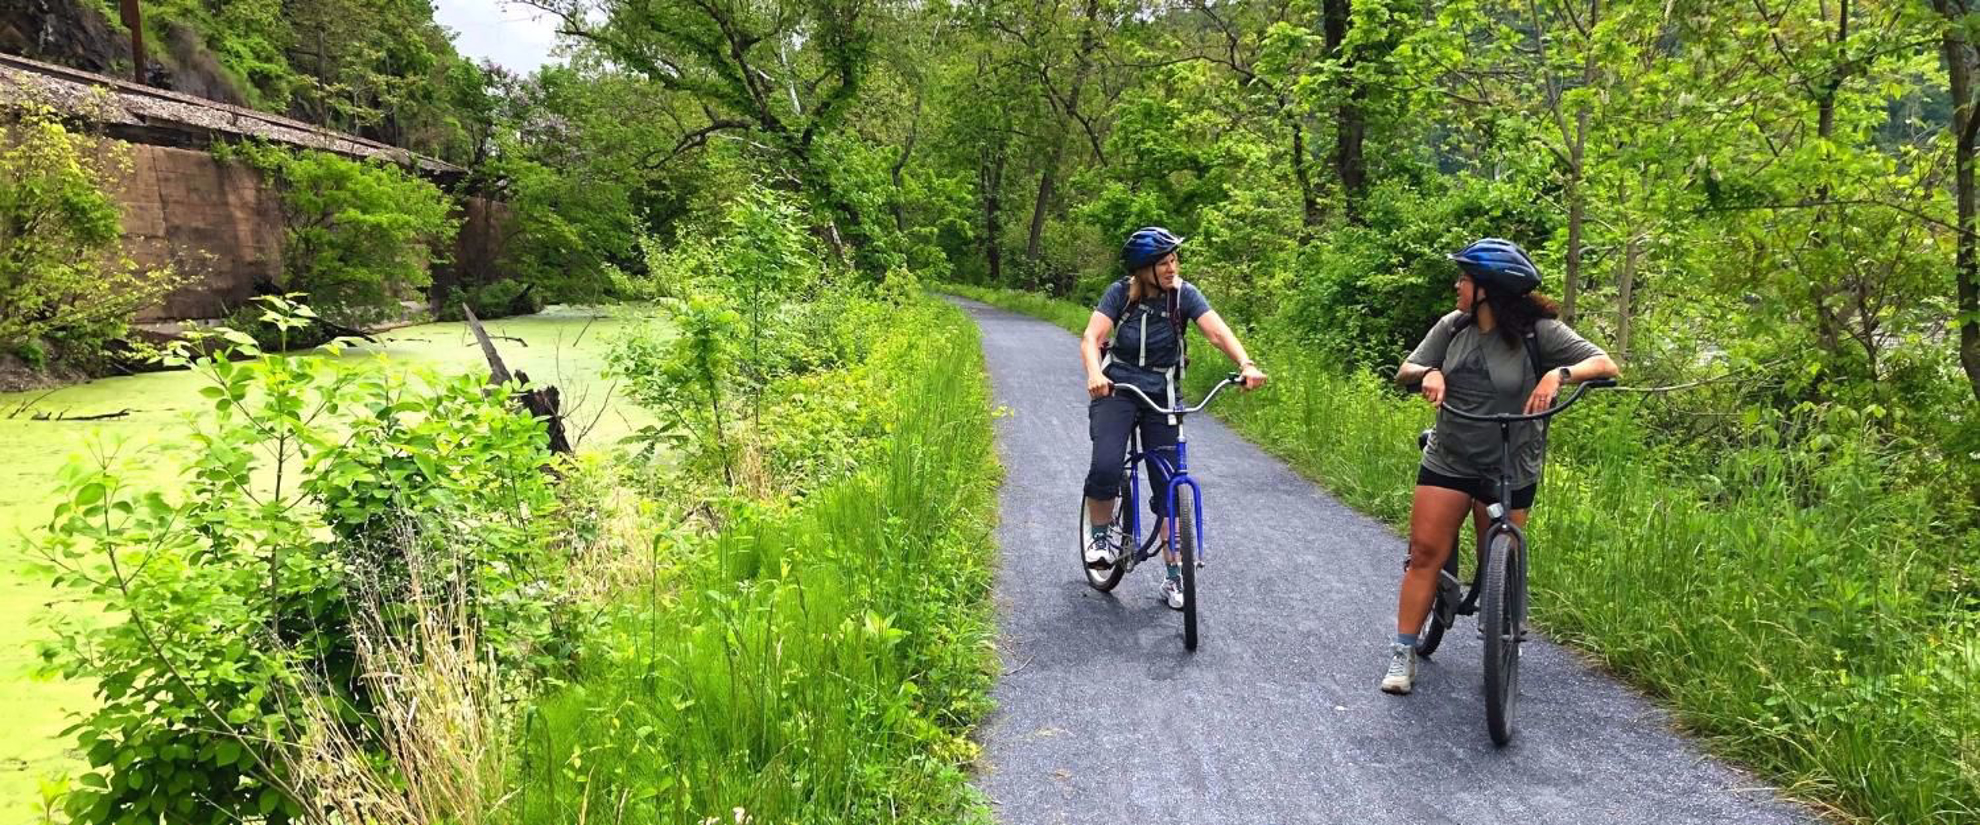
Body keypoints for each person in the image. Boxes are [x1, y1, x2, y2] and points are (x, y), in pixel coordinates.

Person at [1382, 238, 1619, 694]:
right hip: (1451, 456)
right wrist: (1429, 372)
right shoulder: (1453, 326)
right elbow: (1406, 369)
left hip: (1511, 463)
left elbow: (1605, 364)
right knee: (1425, 553)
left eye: (1465, 279)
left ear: (1487, 289)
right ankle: (1403, 652)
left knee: (1498, 557)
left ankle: (1499, 639)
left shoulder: (1539, 333)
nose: (1457, 285)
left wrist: (1558, 374)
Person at [1079, 226, 1267, 610]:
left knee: (1169, 486)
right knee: (1107, 464)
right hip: (1117, 389)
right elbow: (1091, 338)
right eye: (1164, 262)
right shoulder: (1120, 293)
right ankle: (1099, 536)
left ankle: (1175, 575)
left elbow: (1216, 333)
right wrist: (1095, 373)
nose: (1172, 268)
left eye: (1174, 260)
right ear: (1143, 268)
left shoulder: (1183, 295)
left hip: (1162, 395)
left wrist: (1245, 363)